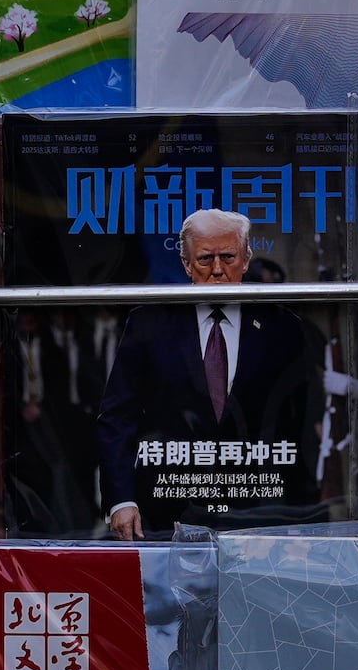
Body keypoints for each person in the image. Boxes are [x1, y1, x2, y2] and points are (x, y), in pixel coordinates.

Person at [97, 209, 318, 540]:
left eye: (228, 257)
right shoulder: (149, 323)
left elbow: (299, 423)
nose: (218, 270)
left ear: (246, 260)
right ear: (186, 263)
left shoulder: (283, 327)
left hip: (258, 508)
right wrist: (120, 500)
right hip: (166, 504)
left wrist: (303, 509)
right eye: (205, 259)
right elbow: (117, 416)